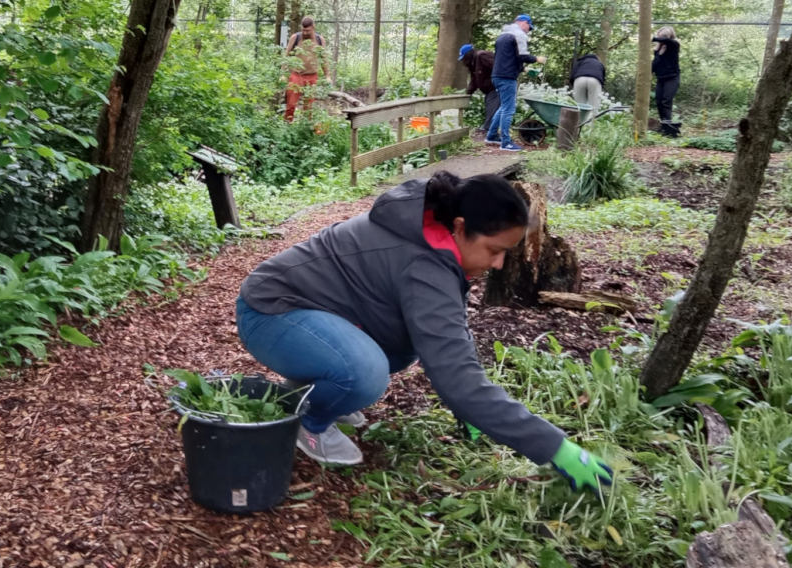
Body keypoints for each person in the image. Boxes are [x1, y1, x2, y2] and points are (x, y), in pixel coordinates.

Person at [235, 171, 615, 497]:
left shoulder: (433, 233)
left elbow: (448, 342)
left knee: (401, 350)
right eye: (494, 251)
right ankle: (308, 420)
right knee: (364, 373)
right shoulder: (426, 265)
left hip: (316, 309)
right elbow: (455, 372)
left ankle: (319, 385)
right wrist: (554, 447)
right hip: (270, 311)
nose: (498, 264)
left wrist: (471, 405)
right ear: (461, 226)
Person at [487, 15, 547, 152]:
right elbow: (523, 55)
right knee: (508, 109)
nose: (528, 31)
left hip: (497, 75)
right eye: (528, 27)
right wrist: (537, 59)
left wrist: (523, 69)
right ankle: (506, 143)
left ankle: (491, 136)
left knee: (503, 107)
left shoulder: (503, 36)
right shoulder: (518, 35)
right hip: (507, 77)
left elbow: (508, 58)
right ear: (523, 23)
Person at [284, 17, 328, 122]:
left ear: (313, 27)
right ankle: (286, 126)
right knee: (291, 104)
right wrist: (283, 73)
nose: (305, 32)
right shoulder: (295, 38)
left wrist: (327, 75)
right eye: (303, 30)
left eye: (307, 30)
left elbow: (324, 58)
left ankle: (305, 129)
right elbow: (286, 56)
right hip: (296, 75)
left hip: (312, 76)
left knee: (308, 106)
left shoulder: (319, 40)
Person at [459, 44, 499, 136]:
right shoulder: (472, 63)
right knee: (489, 107)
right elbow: (474, 80)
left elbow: (497, 67)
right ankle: (488, 130)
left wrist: (498, 82)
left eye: (463, 58)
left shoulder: (481, 56)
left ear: (468, 54)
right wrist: (468, 93)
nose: (463, 61)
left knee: (492, 108)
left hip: (496, 87)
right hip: (488, 90)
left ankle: (489, 131)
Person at [652, 27, 681, 136]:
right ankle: (664, 126)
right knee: (659, 101)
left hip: (672, 78)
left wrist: (653, 38)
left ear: (669, 36)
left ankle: (668, 127)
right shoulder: (658, 50)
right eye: (660, 36)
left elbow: (669, 41)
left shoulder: (674, 45)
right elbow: (655, 65)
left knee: (666, 100)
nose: (661, 38)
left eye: (664, 36)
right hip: (661, 78)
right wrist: (658, 54)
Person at [569, 53, 606, 129]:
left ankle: (576, 128)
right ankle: (590, 129)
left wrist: (573, 85)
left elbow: (572, 75)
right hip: (595, 80)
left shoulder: (580, 62)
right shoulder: (599, 63)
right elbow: (603, 77)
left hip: (579, 79)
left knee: (579, 106)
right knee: (593, 106)